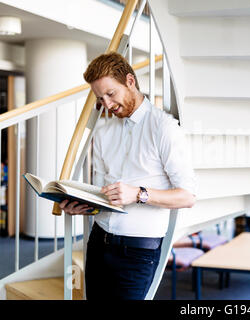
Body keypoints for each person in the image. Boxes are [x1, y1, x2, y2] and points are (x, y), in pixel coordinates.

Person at [59, 52, 196, 300]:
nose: (107, 105)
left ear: (130, 81)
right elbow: (103, 195)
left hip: (138, 250)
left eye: (111, 94)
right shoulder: (102, 132)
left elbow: (187, 196)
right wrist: (84, 206)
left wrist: (138, 194)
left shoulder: (164, 128)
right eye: (101, 98)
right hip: (98, 242)